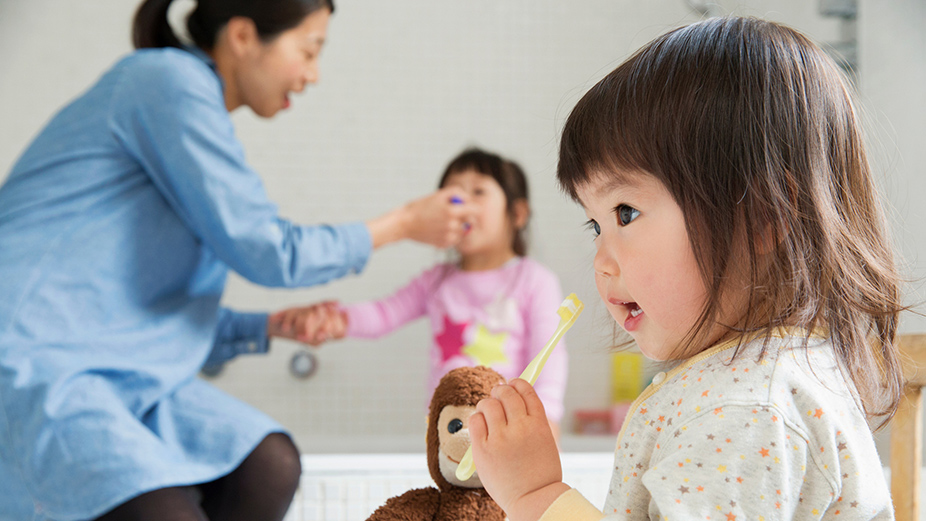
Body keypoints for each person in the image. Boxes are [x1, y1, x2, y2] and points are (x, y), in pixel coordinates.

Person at [0, 0, 476, 519]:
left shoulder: (187, 119)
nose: (313, 74)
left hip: (120, 374)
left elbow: (145, 320)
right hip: (40, 364)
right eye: (309, 50)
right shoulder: (165, 82)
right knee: (165, 508)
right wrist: (404, 223)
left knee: (267, 460)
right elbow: (269, 251)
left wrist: (267, 327)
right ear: (244, 36)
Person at [467, 16, 906, 521]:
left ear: (765, 217)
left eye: (625, 213)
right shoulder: (768, 379)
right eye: (595, 226)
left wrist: (535, 495)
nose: (601, 262)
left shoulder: (742, 411)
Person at [269, 147, 569, 437]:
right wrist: (336, 320)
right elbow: (384, 313)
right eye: (453, 195)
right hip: (446, 431)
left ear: (517, 214)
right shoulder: (437, 281)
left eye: (477, 192)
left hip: (509, 432)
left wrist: (548, 419)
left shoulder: (534, 280)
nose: (461, 203)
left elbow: (548, 357)